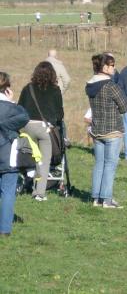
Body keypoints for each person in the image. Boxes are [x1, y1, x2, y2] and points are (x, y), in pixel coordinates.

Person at [86, 53, 127, 208]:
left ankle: (96, 198)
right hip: (112, 130)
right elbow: (123, 107)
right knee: (110, 165)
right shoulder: (111, 86)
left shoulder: (89, 85)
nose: (114, 67)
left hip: (97, 130)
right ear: (105, 68)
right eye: (112, 65)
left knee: (99, 164)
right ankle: (107, 199)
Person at [18, 62, 64, 201]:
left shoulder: (28, 88)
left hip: (27, 126)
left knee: (27, 153)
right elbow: (60, 114)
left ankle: (26, 177)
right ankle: (39, 193)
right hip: (44, 128)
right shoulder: (55, 90)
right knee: (44, 161)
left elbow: (20, 108)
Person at [0, 72, 30, 236]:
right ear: (7, 88)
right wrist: (12, 101)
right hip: (7, 153)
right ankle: (4, 229)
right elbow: (25, 117)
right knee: (8, 191)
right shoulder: (13, 109)